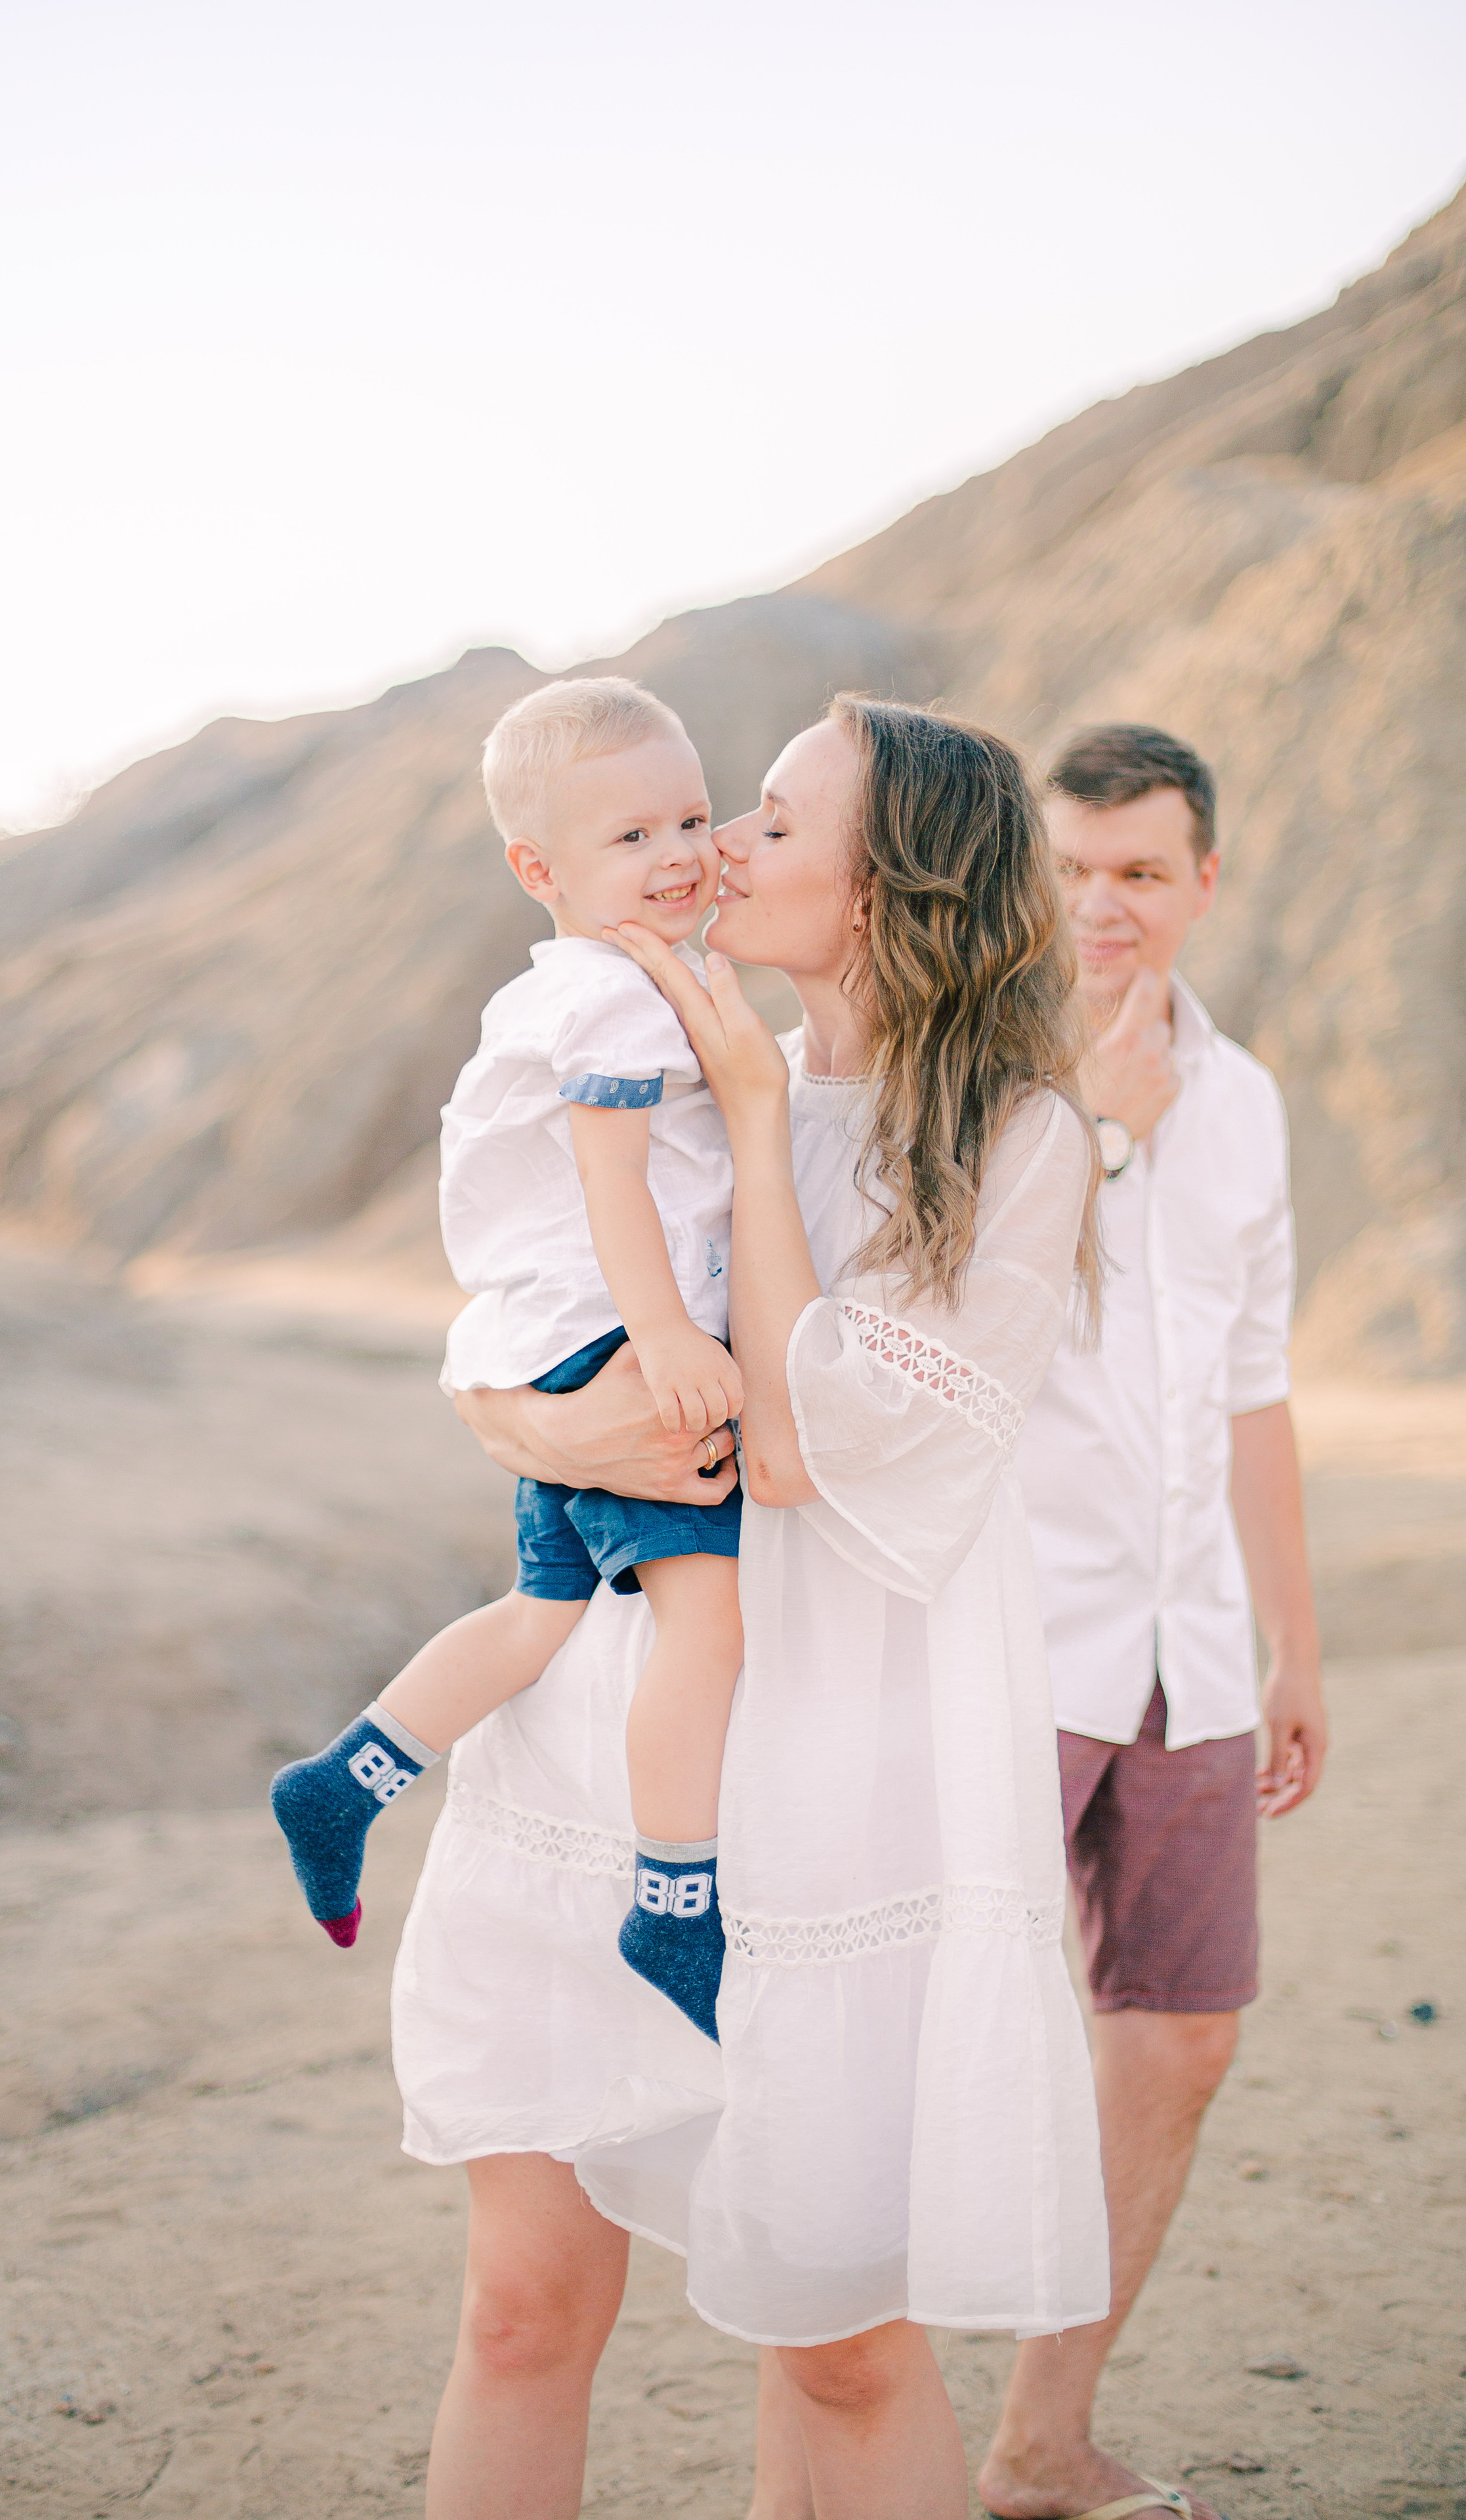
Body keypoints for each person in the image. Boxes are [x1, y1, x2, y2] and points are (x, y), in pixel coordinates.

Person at [392, 698, 1113, 2520]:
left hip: (838, 1789)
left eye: (770, 823)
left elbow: (793, 1447)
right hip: (606, 1741)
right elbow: (502, 1344)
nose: (717, 851)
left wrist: (759, 1118)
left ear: (887, 889)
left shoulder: (1012, 1143)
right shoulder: (661, 1060)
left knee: (841, 2350)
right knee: (519, 2312)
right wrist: (533, 1411)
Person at [271, 677, 745, 2034]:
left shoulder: (570, 986)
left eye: (689, 820)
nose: (674, 857)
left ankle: (348, 1776)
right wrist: (663, 1337)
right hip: (617, 1332)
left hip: (548, 1338)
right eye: (629, 839)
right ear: (537, 869)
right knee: (704, 1631)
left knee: (542, 1616)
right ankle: (676, 1909)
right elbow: (614, 1179)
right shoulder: (615, 1000)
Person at [977, 724, 1330, 2520]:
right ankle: (831, 2466)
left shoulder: (1252, 1099)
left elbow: (1253, 1385)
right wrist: (1098, 1141)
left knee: (1182, 2032)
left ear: (1205, 882)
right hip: (1010, 1638)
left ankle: (1043, 2441)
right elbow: (946, 1342)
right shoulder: (973, 1073)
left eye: (1140, 869)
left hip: (1192, 1644)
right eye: (1073, 867)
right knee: (940, 2042)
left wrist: (1294, 1644)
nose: (1102, 903)